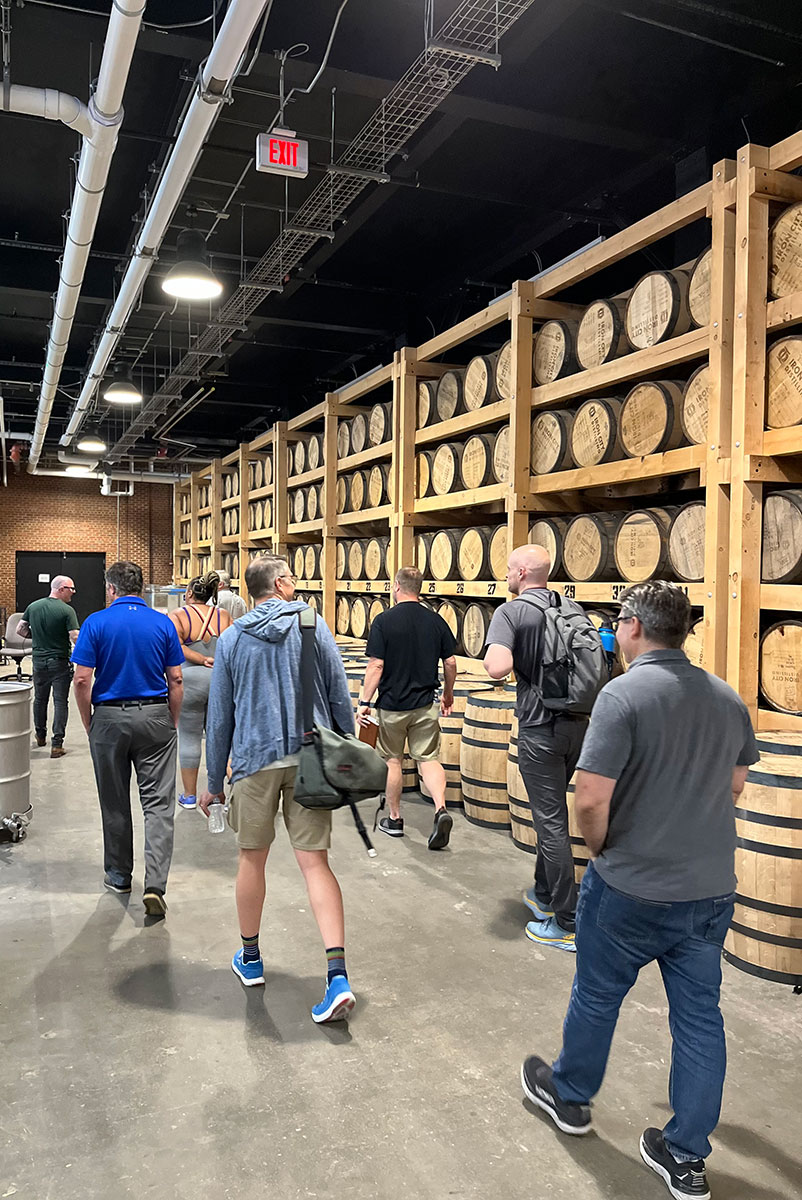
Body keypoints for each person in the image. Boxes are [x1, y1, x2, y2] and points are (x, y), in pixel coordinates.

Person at [520, 581, 759, 1200]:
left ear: (629, 625)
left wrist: (600, 848)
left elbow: (591, 797)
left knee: (598, 995)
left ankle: (570, 1098)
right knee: (700, 1020)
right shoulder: (728, 699)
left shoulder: (621, 696)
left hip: (631, 885)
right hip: (707, 891)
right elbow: (735, 786)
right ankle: (685, 1158)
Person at [200, 555, 356, 1023]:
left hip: (253, 758)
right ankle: (337, 977)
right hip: (310, 756)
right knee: (315, 864)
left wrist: (213, 782)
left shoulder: (231, 639)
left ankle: (250, 958)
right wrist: (345, 752)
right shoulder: (313, 624)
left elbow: (220, 716)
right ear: (282, 583)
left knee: (252, 857)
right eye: (292, 576)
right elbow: (337, 693)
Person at [484, 544, 590, 951]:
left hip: (539, 727)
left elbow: (496, 667)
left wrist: (507, 664)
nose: (506, 575)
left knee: (550, 823)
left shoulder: (511, 612)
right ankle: (544, 894)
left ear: (524, 572)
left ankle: (567, 921)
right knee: (553, 813)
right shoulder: (571, 608)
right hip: (577, 727)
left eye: (510, 569)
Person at [72, 561, 184, 917]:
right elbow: (176, 679)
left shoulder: (96, 623)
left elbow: (81, 679)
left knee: (115, 801)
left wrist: (89, 721)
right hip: (155, 716)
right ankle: (154, 885)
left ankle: (120, 876)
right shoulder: (162, 622)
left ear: (111, 589)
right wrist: (171, 720)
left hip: (108, 718)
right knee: (159, 806)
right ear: (140, 588)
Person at [356, 566, 457, 850]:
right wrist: (448, 693)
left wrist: (364, 702)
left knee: (393, 760)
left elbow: (376, 665)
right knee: (428, 759)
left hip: (392, 706)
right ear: (419, 588)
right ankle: (440, 809)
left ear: (397, 587)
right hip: (425, 704)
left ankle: (395, 819)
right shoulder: (435, 621)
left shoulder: (384, 621)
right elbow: (450, 662)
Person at [168, 572, 234, 810]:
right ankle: (228, 790)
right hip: (220, 681)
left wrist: (201, 658)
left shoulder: (178, 615)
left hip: (190, 682)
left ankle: (189, 796)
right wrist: (213, 660)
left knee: (189, 736)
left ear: (188, 593)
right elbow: (233, 644)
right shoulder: (223, 615)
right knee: (223, 736)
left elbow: (175, 645)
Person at [18, 575, 79, 758]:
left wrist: (36, 637)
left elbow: (19, 629)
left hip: (38, 661)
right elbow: (75, 636)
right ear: (61, 589)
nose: (73, 593)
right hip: (59, 661)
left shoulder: (33, 606)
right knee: (60, 702)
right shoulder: (67, 610)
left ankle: (40, 735)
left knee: (40, 699)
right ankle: (57, 745)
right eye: (71, 589)